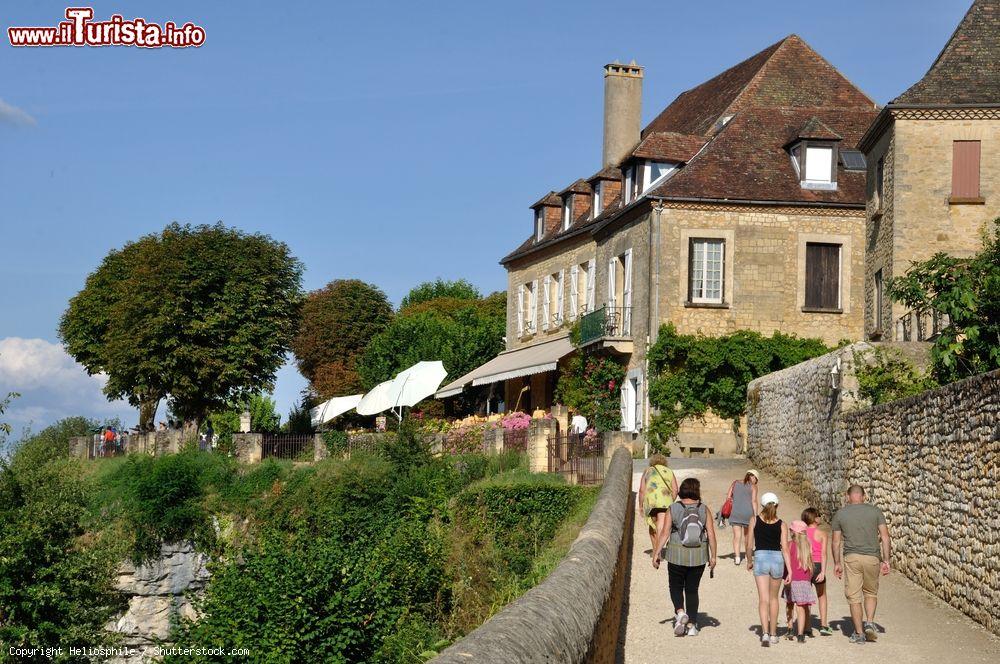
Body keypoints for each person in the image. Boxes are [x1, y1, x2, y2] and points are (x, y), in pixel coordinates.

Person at [652, 477, 718, 637]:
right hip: (699, 556)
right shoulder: (704, 509)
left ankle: (680, 612)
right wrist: (713, 556)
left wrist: (656, 553)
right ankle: (692, 626)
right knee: (692, 590)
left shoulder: (673, 508)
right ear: (697, 491)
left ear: (681, 490)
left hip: (676, 555)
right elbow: (711, 533)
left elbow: (665, 533)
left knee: (675, 586)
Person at [832, 485, 891, 645]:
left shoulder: (840, 514)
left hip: (852, 558)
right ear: (864, 496)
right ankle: (870, 622)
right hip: (872, 557)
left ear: (847, 496)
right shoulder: (876, 512)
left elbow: (836, 542)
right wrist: (886, 560)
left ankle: (859, 633)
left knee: (854, 597)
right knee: (871, 592)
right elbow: (885, 537)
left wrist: (837, 563)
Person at [747, 491, 791, 647]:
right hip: (777, 560)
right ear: (777, 505)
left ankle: (764, 633)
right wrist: (790, 570)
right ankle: (773, 634)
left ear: (762, 505)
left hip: (760, 558)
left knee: (763, 599)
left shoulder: (754, 520)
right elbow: (785, 548)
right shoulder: (782, 524)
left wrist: (749, 560)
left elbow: (749, 545)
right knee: (773, 599)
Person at [782, 520, 819, 643]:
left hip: (792, 579)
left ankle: (790, 628)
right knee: (802, 607)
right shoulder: (808, 546)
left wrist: (784, 576)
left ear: (793, 532)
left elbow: (785, 563)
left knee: (789, 604)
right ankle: (801, 634)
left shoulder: (789, 545)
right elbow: (811, 566)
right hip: (804, 581)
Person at [636, 454, 679, 556]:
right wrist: (671, 500)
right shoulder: (669, 471)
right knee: (661, 525)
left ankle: (656, 550)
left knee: (653, 525)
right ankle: (658, 551)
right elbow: (676, 489)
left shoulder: (648, 471)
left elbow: (642, 490)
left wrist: (641, 505)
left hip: (651, 502)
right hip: (665, 501)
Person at [801, 507, 832, 635]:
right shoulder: (822, 534)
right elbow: (824, 554)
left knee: (807, 597)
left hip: (806, 566)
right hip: (818, 565)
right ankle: (823, 625)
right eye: (818, 515)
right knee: (822, 595)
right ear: (815, 518)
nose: (820, 517)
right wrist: (823, 572)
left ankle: (807, 626)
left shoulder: (802, 533)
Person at [726, 469, 759, 565]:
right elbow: (754, 501)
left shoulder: (735, 483)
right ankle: (746, 555)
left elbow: (728, 497)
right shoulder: (753, 486)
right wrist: (755, 516)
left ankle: (737, 557)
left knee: (737, 536)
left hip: (735, 512)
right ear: (754, 478)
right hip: (747, 514)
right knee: (747, 536)